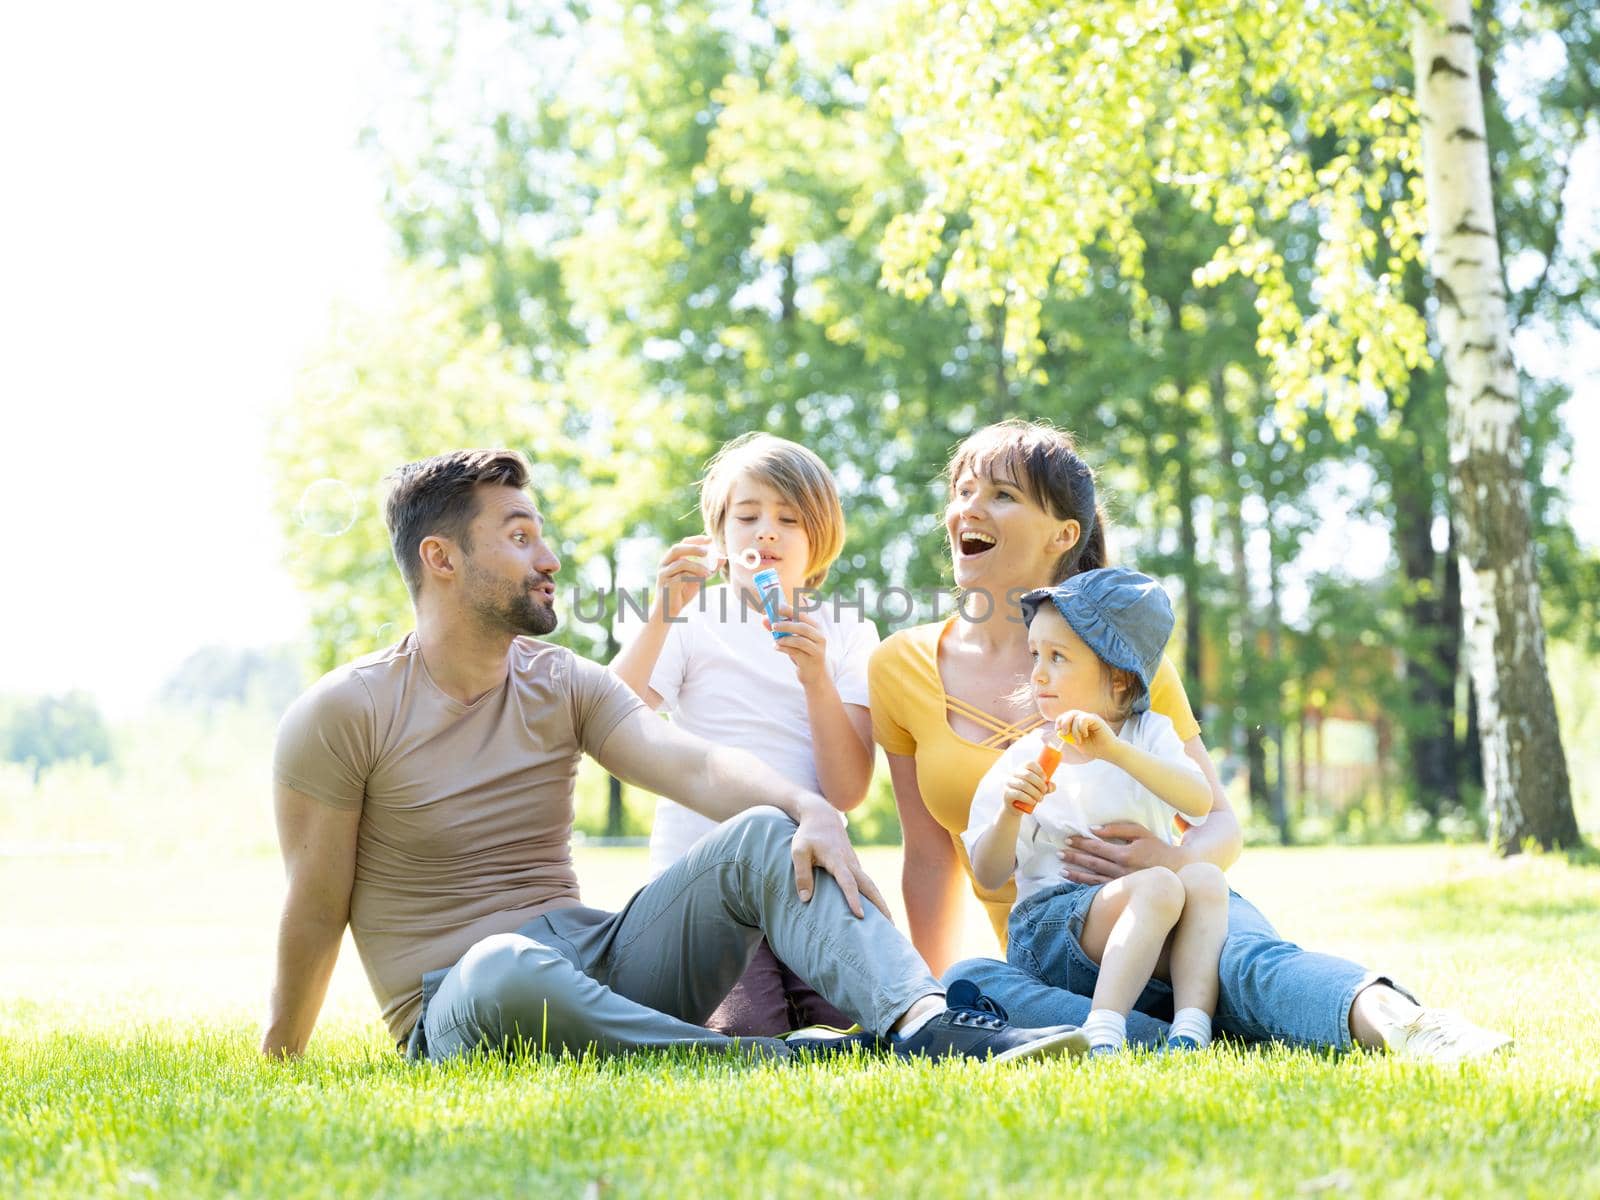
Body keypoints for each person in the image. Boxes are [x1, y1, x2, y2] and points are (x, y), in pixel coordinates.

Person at [262, 448, 1087, 1065]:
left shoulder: (564, 683)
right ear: (441, 559)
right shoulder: (343, 713)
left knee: (768, 827)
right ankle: (771, 1058)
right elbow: (314, 901)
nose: (549, 559)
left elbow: (690, 765)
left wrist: (807, 809)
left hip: (594, 957)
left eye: (541, 534)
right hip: (462, 1000)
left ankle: (920, 1021)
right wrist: (281, 1058)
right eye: (519, 538)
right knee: (502, 966)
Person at [869, 419, 1511, 1060]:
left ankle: (1405, 1021)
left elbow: (1218, 823)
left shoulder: (1130, 669)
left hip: (1170, 904)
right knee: (965, 985)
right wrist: (925, 1011)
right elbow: (929, 858)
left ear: (1064, 535)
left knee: (1248, 960)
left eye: (1001, 495)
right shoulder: (902, 665)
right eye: (962, 491)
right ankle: (1170, 1035)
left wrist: (1165, 867)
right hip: (1056, 951)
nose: (967, 510)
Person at [611, 433, 874, 1037]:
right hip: (706, 888)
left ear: (821, 537)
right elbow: (611, 720)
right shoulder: (690, 620)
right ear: (720, 536)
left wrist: (815, 679)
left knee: (870, 1024)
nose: (766, 532)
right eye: (747, 516)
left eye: (788, 518)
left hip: (810, 880)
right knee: (749, 1031)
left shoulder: (849, 632)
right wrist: (662, 611)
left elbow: (848, 788)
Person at [966, 569, 1225, 1055]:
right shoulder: (1026, 756)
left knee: (1207, 881)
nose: (1038, 673)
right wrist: (1010, 812)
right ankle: (1103, 1034)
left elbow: (1200, 801)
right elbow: (988, 872)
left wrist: (1114, 751)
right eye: (1035, 655)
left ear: (1121, 678)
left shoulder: (1149, 735)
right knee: (1160, 884)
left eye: (1058, 657)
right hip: (1048, 933)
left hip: (1141, 931)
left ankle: (1191, 1031)